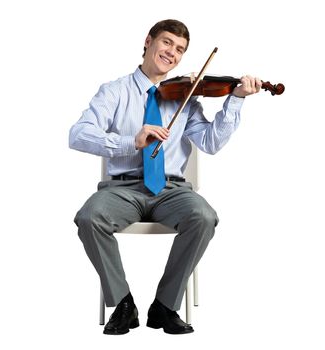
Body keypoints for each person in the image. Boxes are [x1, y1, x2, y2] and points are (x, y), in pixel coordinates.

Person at [69, 19, 261, 335]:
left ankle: (166, 305)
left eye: (180, 49)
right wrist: (131, 139)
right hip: (123, 188)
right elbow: (78, 135)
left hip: (172, 189)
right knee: (90, 217)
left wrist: (236, 99)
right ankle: (123, 304)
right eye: (167, 42)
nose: (172, 52)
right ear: (149, 41)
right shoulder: (114, 91)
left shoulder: (186, 97)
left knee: (203, 216)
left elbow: (211, 143)